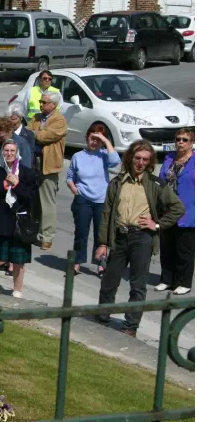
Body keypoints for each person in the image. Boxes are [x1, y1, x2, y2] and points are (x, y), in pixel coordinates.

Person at [94, 140, 185, 337]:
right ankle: (101, 318)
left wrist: (157, 224)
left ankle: (131, 326)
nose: (141, 163)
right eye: (137, 158)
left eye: (145, 159)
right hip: (119, 237)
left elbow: (178, 208)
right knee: (109, 280)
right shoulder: (117, 183)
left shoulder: (155, 184)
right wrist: (102, 243)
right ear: (130, 158)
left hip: (142, 238)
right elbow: (107, 214)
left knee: (138, 285)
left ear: (150, 161)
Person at [0, 139, 38, 297]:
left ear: (17, 153)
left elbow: (31, 198)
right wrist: (4, 185)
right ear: (2, 153)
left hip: (17, 222)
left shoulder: (27, 173)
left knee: (18, 260)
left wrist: (17, 185)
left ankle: (17, 290)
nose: (9, 154)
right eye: (6, 150)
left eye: (12, 151)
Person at [66, 123, 120, 277]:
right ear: (87, 138)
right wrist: (75, 191)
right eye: (92, 138)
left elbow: (115, 162)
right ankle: (77, 263)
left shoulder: (104, 155)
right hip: (83, 199)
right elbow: (70, 177)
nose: (94, 142)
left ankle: (101, 264)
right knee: (81, 233)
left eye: (98, 139)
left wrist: (106, 141)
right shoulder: (78, 156)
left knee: (101, 235)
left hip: (101, 200)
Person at [155, 129, 194, 295]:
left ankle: (183, 282)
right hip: (167, 210)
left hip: (188, 211)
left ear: (191, 142)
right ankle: (166, 280)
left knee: (184, 249)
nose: (180, 142)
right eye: (178, 139)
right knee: (167, 247)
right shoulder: (169, 158)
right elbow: (161, 179)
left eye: (185, 139)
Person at [28, 90, 67, 250]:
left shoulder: (59, 120)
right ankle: (33, 231)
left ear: (54, 104)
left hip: (48, 165)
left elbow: (45, 136)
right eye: (41, 102)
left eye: (44, 103)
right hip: (33, 163)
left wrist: (33, 133)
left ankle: (47, 236)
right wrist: (33, 132)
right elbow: (26, 131)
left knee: (47, 202)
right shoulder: (37, 117)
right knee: (33, 201)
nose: (41, 105)